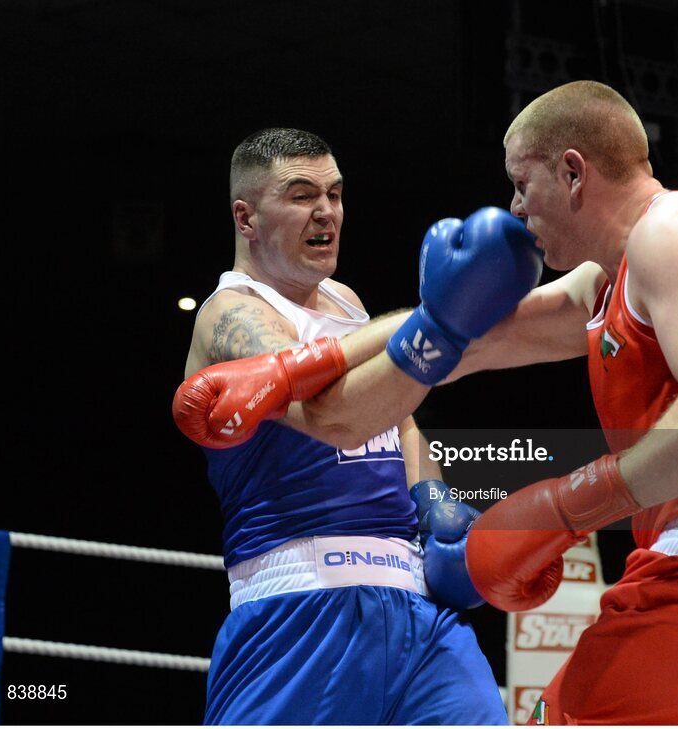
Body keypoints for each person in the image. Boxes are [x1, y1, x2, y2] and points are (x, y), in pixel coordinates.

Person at [176, 79, 678, 723]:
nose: (515, 208)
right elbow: (467, 339)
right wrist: (309, 362)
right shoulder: (605, 282)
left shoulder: (677, 231)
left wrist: (565, 507)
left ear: (573, 173)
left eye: (521, 184)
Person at [173, 127, 540, 725]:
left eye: (335, 194)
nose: (326, 212)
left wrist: (434, 497)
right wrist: (437, 315)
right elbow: (329, 407)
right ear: (246, 218)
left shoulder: (345, 304)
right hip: (299, 607)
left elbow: (398, 414)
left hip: (416, 605)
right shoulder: (229, 316)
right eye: (300, 195)